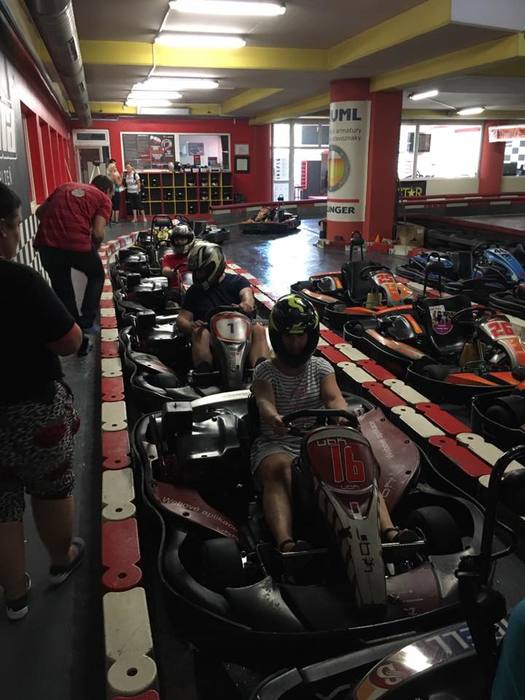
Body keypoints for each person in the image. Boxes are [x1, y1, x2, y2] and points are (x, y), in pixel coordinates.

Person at [251, 294, 417, 553]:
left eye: (300, 336)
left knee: (359, 464)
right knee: (279, 469)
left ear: (310, 335)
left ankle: (389, 531)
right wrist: (274, 417)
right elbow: (264, 401)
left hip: (317, 439)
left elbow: (333, 398)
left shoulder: (320, 367)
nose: (295, 343)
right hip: (278, 441)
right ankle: (286, 543)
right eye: (289, 336)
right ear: (277, 336)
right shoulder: (265, 371)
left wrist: (341, 413)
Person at [0, 182, 86, 620]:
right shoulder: (20, 281)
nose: (19, 235)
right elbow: (71, 341)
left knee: (2, 504)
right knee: (51, 488)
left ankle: (15, 595)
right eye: (17, 225)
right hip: (31, 406)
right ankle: (60, 558)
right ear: (2, 228)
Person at [34, 175, 113, 355]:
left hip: (47, 245)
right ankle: (87, 320)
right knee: (96, 275)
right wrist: (94, 245)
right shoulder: (103, 199)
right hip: (76, 244)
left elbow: (39, 213)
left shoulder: (65, 186)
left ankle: (80, 342)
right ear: (108, 190)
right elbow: (98, 234)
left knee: (64, 292)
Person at [176, 242, 270, 371]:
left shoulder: (237, 282)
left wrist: (246, 304)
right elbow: (182, 318)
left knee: (258, 329)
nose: (197, 275)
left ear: (215, 266)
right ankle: (205, 373)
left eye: (201, 271)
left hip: (241, 331)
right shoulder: (194, 291)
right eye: (196, 272)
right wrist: (191, 326)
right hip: (211, 336)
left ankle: (260, 371)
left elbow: (247, 296)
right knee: (199, 333)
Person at [161, 223, 195, 297]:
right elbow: (165, 270)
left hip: (195, 287)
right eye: (177, 239)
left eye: (182, 239)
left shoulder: (195, 255)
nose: (179, 242)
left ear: (189, 240)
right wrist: (171, 272)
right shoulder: (168, 257)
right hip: (177, 290)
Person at [107, 159, 123, 224]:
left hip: (111, 192)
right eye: (115, 167)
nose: (116, 167)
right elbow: (118, 184)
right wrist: (121, 177)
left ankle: (112, 219)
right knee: (117, 206)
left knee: (113, 206)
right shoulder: (114, 175)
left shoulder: (109, 175)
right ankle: (116, 220)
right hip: (116, 191)